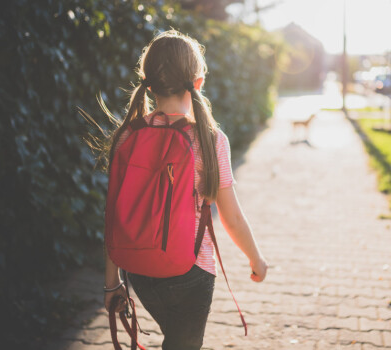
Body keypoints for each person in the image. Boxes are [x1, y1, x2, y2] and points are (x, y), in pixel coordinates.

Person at [103, 30, 268, 350]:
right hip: (191, 272)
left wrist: (112, 284)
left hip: (138, 270)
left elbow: (112, 214)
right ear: (199, 80)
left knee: (175, 338)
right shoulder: (210, 140)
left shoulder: (127, 136)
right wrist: (255, 258)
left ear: (147, 82)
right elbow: (231, 216)